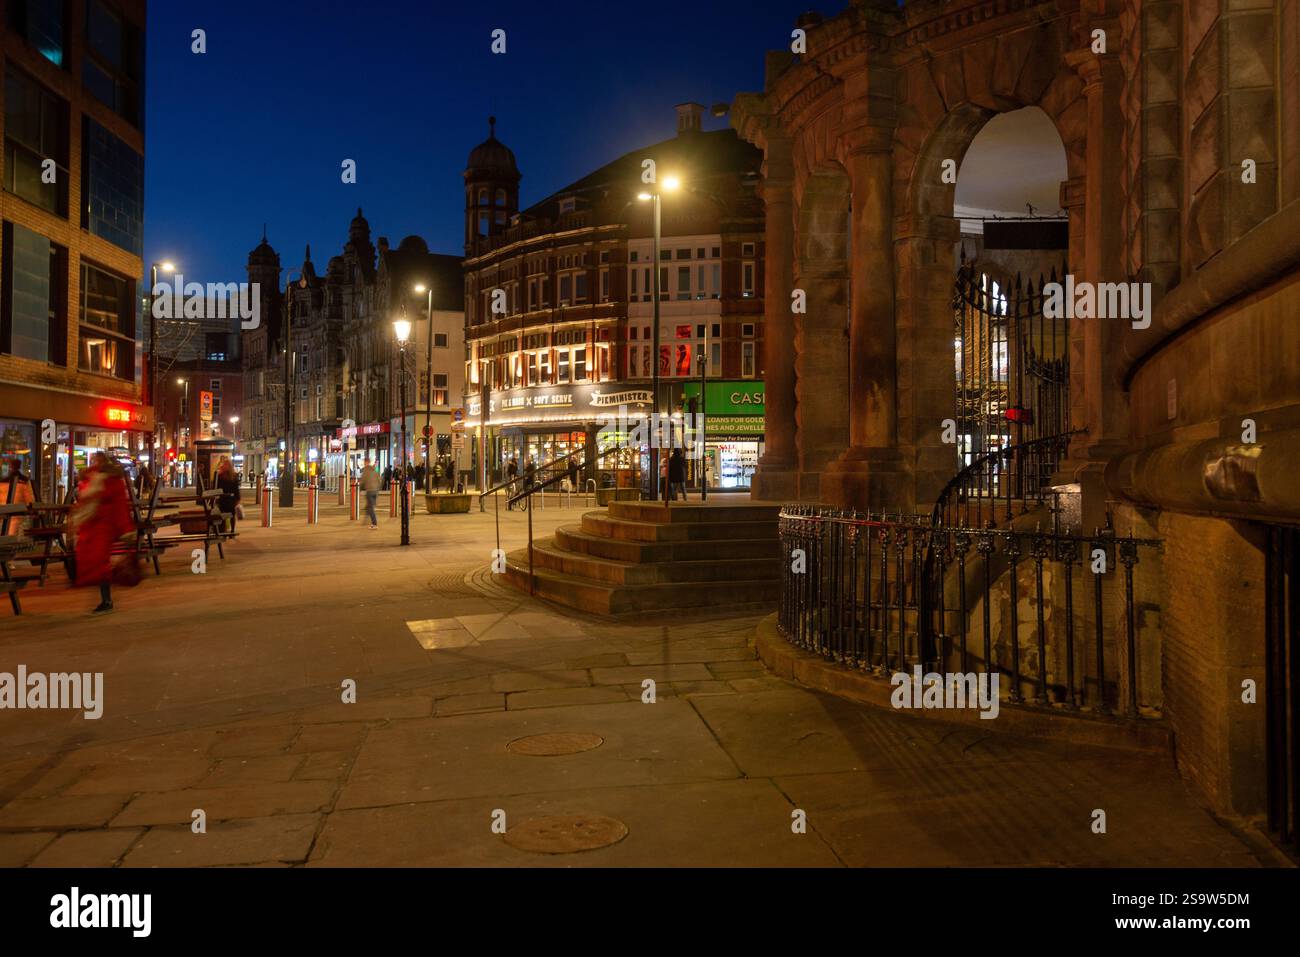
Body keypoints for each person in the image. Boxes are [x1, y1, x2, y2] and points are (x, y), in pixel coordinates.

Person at [72, 451, 136, 613]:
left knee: (101, 562)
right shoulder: (95, 479)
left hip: (102, 527)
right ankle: (105, 597)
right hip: (95, 527)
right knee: (98, 562)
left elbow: (119, 506)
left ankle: (106, 599)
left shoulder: (103, 481)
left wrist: (125, 529)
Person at [2, 457, 34, 536]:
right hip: (16, 513)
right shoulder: (24, 481)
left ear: (10, 467)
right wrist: (32, 511)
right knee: (12, 532)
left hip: (3, 512)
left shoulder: (3, 482)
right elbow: (29, 499)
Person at [215, 458, 241, 534]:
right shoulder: (232, 476)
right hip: (229, 499)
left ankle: (226, 530)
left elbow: (216, 487)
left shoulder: (221, 476)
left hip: (225, 499)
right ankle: (230, 530)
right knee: (230, 515)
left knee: (226, 515)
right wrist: (237, 498)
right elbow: (236, 489)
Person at [360, 460, 381, 529]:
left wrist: (360, 488)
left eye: (364, 462)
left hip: (370, 490)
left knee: (370, 508)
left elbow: (363, 480)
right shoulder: (375, 470)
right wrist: (378, 489)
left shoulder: (366, 470)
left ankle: (374, 524)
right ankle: (366, 520)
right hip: (375, 491)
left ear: (366, 463)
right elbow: (379, 480)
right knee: (370, 506)